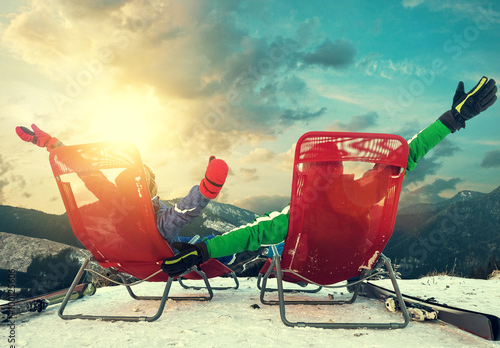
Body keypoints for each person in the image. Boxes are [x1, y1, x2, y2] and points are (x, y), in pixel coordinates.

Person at [160, 76, 498, 276]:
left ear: (307, 172)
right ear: (339, 167)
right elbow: (407, 155)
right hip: (351, 267)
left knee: (264, 251)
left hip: (311, 270)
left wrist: (202, 252)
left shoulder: (300, 212)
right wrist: (453, 119)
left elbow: (249, 235)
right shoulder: (362, 191)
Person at [15, 124, 237, 262]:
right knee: (212, 243)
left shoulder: (114, 204)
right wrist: (206, 189)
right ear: (147, 188)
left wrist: (54, 145)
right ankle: (233, 254)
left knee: (188, 238)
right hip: (167, 255)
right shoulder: (155, 224)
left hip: (131, 257)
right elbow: (183, 212)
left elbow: (88, 174)